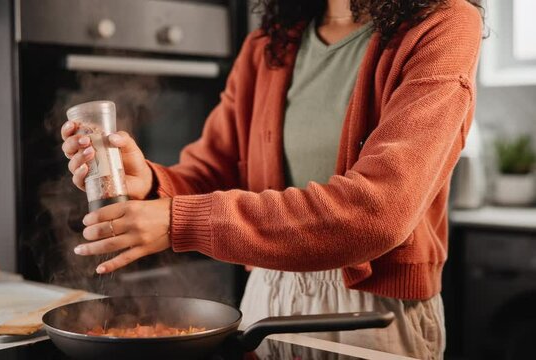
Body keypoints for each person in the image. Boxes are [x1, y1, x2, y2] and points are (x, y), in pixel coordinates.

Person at [61, 0, 483, 358]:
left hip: (374, 316)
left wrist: (178, 220)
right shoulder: (270, 43)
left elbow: (378, 211)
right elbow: (213, 172)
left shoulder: (442, 22)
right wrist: (151, 182)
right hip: (267, 299)